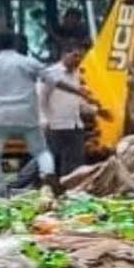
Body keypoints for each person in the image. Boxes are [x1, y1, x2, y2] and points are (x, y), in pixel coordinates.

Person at [0, 31, 61, 195]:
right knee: (41, 151)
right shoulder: (29, 62)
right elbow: (51, 80)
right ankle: (48, 174)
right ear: (15, 44)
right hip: (27, 115)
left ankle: (1, 192)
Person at [37, 41, 91, 177]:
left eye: (81, 57)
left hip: (74, 124)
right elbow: (40, 99)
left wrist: (94, 110)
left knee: (75, 164)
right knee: (51, 162)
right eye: (75, 56)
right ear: (64, 55)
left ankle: (70, 191)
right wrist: (44, 121)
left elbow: (76, 100)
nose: (78, 60)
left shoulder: (77, 74)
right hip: (55, 125)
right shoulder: (51, 73)